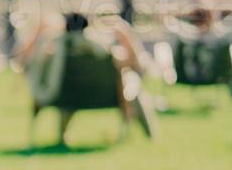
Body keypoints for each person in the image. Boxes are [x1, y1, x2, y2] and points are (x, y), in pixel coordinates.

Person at [13, 10, 157, 145]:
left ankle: (61, 133)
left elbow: (22, 62)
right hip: (104, 95)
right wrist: (126, 35)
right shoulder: (102, 51)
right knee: (131, 82)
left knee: (74, 88)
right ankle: (148, 133)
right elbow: (136, 64)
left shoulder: (55, 55)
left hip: (66, 96)